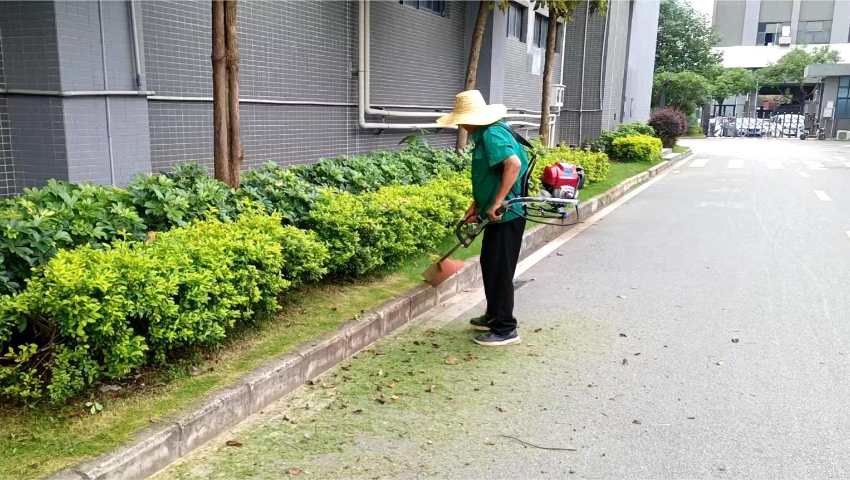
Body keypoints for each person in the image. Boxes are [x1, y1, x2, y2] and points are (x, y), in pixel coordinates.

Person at [437, 90, 528, 347]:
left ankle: (505, 329)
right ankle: (493, 315)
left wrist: (497, 202)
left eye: (461, 119)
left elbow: (513, 165)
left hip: (507, 214)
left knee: (499, 270)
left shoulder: (492, 134)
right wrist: (477, 204)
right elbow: (492, 174)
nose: (460, 124)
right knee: (491, 264)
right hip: (499, 213)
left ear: (471, 118)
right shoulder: (489, 133)